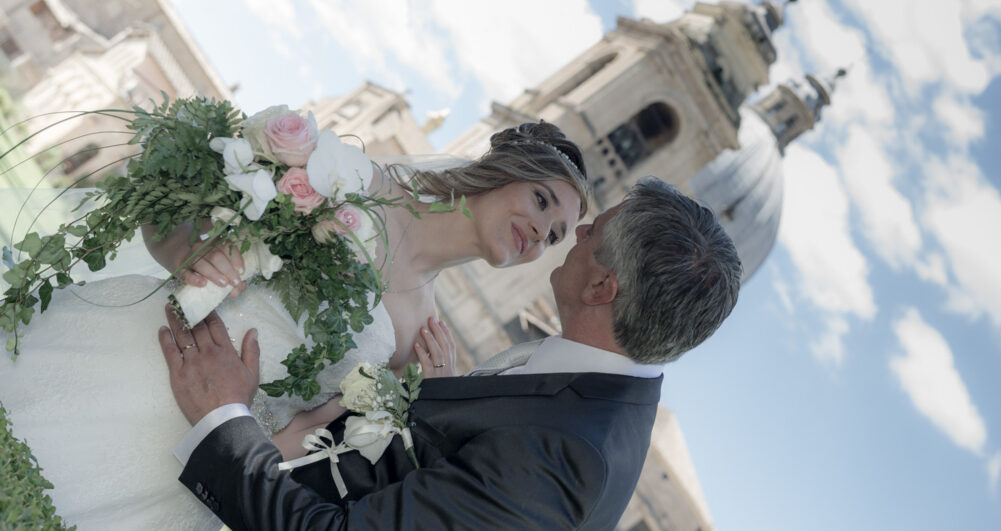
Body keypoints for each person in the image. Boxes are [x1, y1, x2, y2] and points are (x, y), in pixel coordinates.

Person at [0, 121, 589, 530]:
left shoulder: (422, 340)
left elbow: (311, 443)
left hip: (181, 455)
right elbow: (168, 221)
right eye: (542, 202)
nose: (542, 233)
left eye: (557, 235)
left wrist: (424, 412)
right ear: (507, 171)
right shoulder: (345, 179)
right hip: (125, 355)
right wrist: (193, 253)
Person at [166, 177, 742, 530]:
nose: (579, 232)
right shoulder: (581, 406)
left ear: (602, 290)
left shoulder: (569, 459)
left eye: (592, 232)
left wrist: (225, 418)